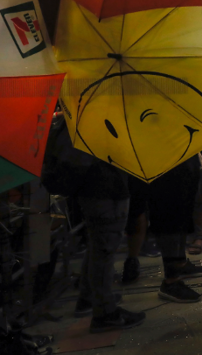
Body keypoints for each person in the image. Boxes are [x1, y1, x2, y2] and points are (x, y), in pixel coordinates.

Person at [42, 112, 145, 333]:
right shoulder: (95, 116)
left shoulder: (76, 116)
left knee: (97, 246)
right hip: (105, 189)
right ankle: (105, 313)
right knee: (104, 251)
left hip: (94, 192)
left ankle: (89, 298)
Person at [121, 155, 202, 303]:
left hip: (180, 158)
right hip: (163, 163)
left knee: (182, 212)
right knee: (169, 216)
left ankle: (180, 263)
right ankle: (171, 280)